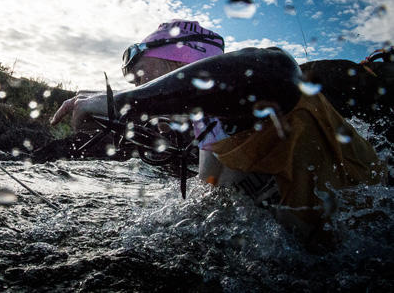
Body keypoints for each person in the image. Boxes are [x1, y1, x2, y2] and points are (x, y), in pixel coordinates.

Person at [50, 19, 384, 244]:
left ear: (179, 59)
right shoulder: (213, 138)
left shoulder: (259, 98)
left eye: (142, 78)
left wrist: (123, 101)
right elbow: (209, 210)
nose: (140, 87)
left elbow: (271, 66)